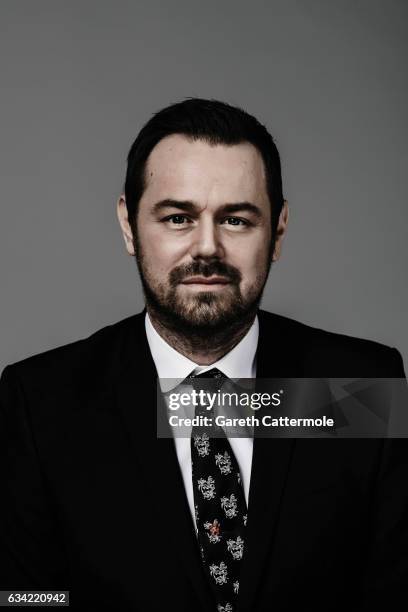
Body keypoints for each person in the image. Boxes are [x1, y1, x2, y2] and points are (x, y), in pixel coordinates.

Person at [1, 98, 407, 611]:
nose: (207, 248)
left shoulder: (362, 389)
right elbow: (24, 599)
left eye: (236, 220)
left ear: (278, 231)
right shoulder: (41, 404)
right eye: (177, 218)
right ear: (129, 224)